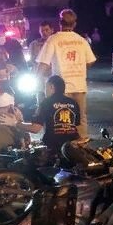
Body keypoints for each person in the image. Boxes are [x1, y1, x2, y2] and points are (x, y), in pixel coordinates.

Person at [36, 9, 96, 138]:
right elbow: (91, 60)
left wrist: (36, 80)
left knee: (59, 118)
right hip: (79, 86)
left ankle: (61, 144)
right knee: (80, 118)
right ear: (74, 24)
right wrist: (79, 68)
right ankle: (82, 145)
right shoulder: (81, 40)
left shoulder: (53, 39)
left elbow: (43, 63)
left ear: (60, 23)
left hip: (60, 88)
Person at [17, 75, 80, 153]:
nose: (45, 91)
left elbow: (35, 128)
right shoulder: (73, 102)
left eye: (45, 87)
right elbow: (76, 125)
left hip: (53, 146)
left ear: (51, 87)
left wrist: (16, 123)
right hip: (73, 146)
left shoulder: (46, 103)